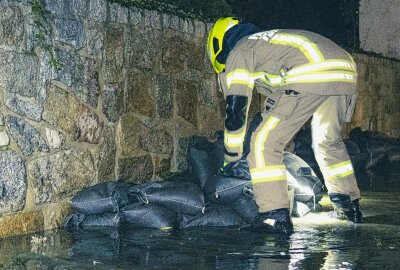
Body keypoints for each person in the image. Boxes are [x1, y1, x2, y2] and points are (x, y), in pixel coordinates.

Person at [206, 17, 363, 233]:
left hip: (311, 72)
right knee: (328, 141)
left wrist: (231, 157)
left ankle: (274, 216)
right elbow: (280, 102)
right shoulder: (268, 44)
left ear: (218, 45)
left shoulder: (239, 51)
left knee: (263, 143)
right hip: (344, 71)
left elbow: (237, 106)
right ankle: (348, 205)